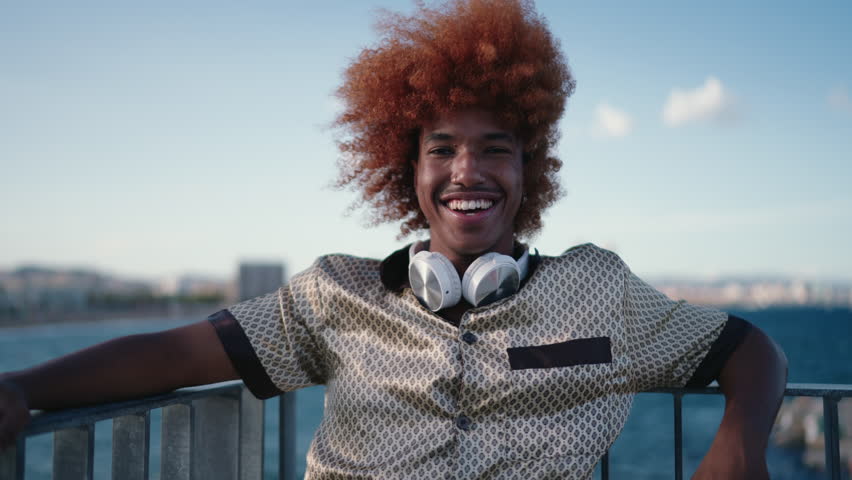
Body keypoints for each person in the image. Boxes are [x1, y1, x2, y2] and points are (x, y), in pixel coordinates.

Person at [0, 1, 787, 479]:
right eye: (441, 148)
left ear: (531, 167)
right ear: (404, 168)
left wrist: (738, 446)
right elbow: (176, 355)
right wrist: (24, 389)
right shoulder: (334, 294)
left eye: (496, 147)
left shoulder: (602, 288)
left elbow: (751, 350)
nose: (466, 171)